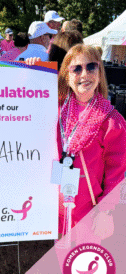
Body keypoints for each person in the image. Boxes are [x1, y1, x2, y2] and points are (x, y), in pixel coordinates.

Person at [57, 44, 126, 235]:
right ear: (66, 75)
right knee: (60, 257)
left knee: (84, 261)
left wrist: (106, 211)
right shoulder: (56, 110)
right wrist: (32, 68)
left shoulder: (111, 120)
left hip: (90, 210)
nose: (84, 74)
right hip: (57, 207)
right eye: (77, 68)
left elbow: (117, 171)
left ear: (100, 72)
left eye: (91, 67)